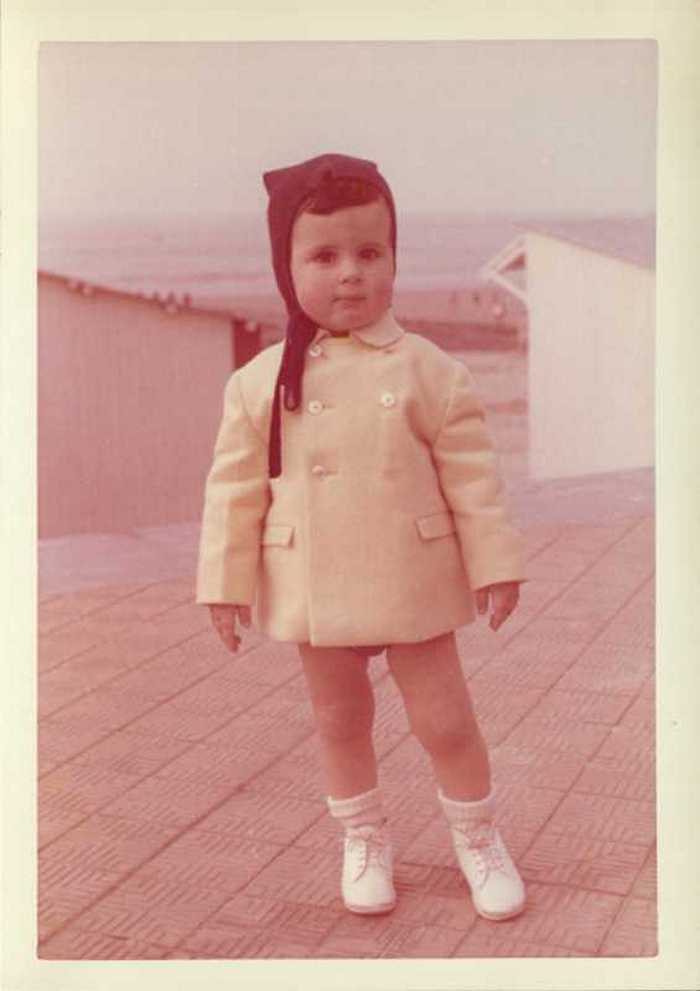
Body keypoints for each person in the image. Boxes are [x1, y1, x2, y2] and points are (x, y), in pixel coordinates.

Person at [196, 152, 527, 921]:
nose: (350, 273)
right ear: (286, 268)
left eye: (370, 252)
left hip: (411, 573)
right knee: (340, 721)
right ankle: (364, 836)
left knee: (446, 720)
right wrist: (223, 583)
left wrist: (496, 565)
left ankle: (477, 835)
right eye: (323, 256)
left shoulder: (430, 370)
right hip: (316, 580)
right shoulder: (260, 381)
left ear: (394, 259)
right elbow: (234, 489)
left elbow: (474, 478)